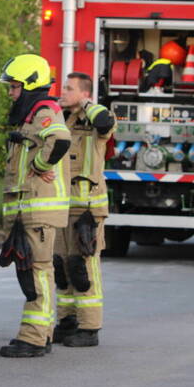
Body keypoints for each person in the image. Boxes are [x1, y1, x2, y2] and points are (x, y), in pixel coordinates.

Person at [0, 54, 71, 358]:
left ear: (29, 86)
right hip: (29, 207)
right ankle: (41, 334)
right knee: (34, 271)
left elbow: (60, 140)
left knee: (37, 271)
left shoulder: (44, 110)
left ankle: (34, 338)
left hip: (38, 207)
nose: (11, 93)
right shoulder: (30, 115)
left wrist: (40, 165)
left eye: (15, 87)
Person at [54, 72, 113, 348]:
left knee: (83, 267)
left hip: (88, 208)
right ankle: (67, 321)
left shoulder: (96, 119)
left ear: (84, 93)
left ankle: (89, 328)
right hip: (62, 206)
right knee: (62, 265)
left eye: (69, 88)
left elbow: (105, 122)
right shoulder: (62, 119)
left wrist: (86, 104)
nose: (63, 92)